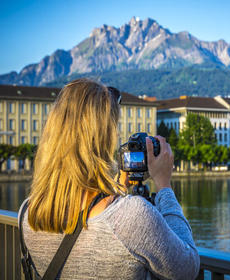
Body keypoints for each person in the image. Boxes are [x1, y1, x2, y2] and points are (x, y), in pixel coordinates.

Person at [18, 79, 200, 280]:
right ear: (103, 140)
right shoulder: (133, 215)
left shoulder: (28, 213)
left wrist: (119, 186)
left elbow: (95, 218)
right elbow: (187, 267)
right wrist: (164, 185)